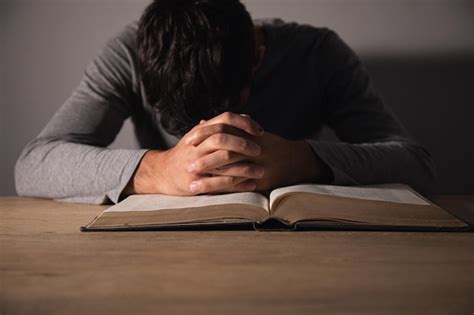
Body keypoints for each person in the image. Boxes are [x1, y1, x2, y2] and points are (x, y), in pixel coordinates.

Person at [14, 0, 436, 204]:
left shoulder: (319, 53)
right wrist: (155, 169)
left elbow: (416, 163)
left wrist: (306, 161)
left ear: (257, 58)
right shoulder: (129, 51)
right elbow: (32, 166)